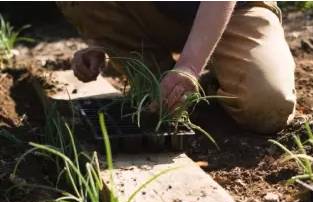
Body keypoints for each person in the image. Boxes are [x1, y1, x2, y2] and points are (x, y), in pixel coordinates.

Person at [58, 1, 296, 134]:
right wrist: (106, 45)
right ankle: (160, 85)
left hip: (236, 11)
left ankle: (210, 81)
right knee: (155, 106)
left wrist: (190, 66)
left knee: (267, 105)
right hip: (155, 10)